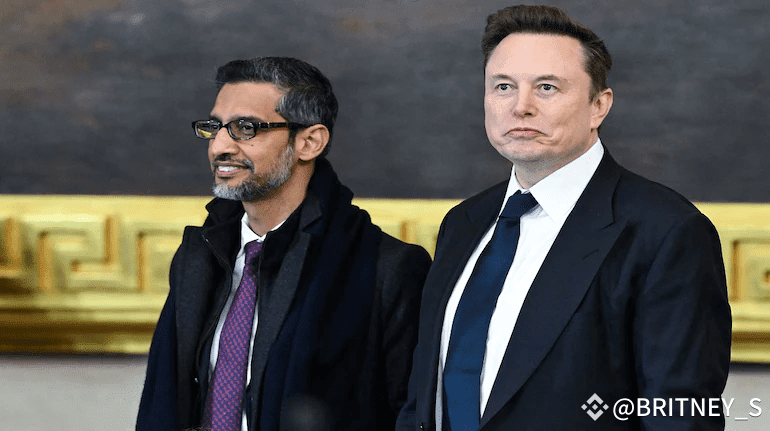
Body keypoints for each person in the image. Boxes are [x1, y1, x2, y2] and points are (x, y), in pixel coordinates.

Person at [397, 5, 731, 431]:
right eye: (503, 86)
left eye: (547, 87)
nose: (521, 107)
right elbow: (423, 400)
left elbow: (680, 417)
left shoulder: (667, 232)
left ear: (599, 106)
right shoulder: (463, 222)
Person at [136, 57, 432, 431]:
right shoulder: (201, 256)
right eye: (215, 127)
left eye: (245, 128)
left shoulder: (388, 269)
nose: (219, 146)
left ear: (309, 142)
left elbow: (414, 414)